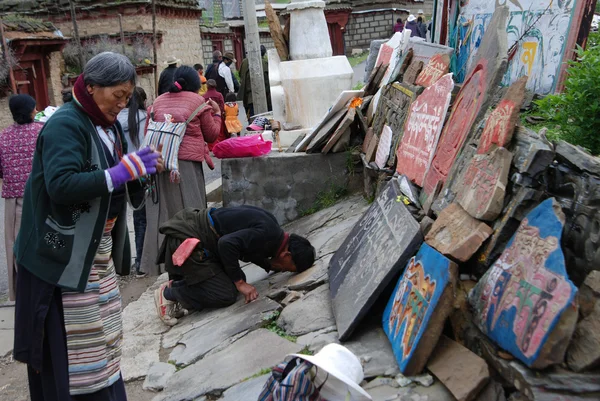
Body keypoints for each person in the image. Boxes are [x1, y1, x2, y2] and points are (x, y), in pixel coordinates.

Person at [13, 51, 163, 400]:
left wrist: (136, 171)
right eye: (118, 96)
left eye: (128, 98)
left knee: (104, 340)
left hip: (95, 253)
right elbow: (61, 184)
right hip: (61, 257)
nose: (123, 105)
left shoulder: (106, 124)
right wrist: (117, 173)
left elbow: (111, 179)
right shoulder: (67, 124)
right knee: (75, 353)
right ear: (92, 86)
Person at [153, 206, 316, 326]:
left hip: (202, 238)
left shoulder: (273, 231)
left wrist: (268, 264)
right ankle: (169, 293)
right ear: (286, 255)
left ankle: (186, 290)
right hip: (188, 239)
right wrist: (240, 283)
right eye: (288, 268)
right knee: (226, 294)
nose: (284, 270)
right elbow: (226, 244)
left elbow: (248, 248)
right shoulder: (267, 234)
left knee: (236, 280)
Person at [141, 66, 222, 276]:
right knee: (192, 212)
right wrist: (217, 113)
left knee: (165, 215)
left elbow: (148, 132)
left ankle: (165, 265)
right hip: (185, 167)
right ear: (195, 83)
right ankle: (196, 261)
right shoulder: (198, 102)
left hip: (160, 165)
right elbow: (212, 135)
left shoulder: (158, 101)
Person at [0, 94, 43, 302]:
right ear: (30, 110)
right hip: (40, 196)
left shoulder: (3, 136)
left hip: (13, 199)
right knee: (43, 239)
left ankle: (21, 290)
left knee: (15, 244)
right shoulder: (42, 131)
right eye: (34, 107)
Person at [117, 87, 149, 277]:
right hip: (142, 173)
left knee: (120, 219)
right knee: (142, 219)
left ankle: (122, 263)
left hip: (121, 172)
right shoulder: (146, 118)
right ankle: (141, 263)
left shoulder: (115, 120)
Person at [238, 45, 272, 119]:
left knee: (253, 119)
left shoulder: (244, 62)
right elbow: (269, 81)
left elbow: (240, 76)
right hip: (263, 97)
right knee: (265, 120)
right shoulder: (265, 63)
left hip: (248, 97)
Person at [203, 78, 227, 148]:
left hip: (208, 117)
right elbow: (222, 106)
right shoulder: (219, 95)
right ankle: (221, 145)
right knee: (220, 132)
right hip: (218, 116)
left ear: (207, 86)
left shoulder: (204, 96)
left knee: (211, 132)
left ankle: (212, 146)